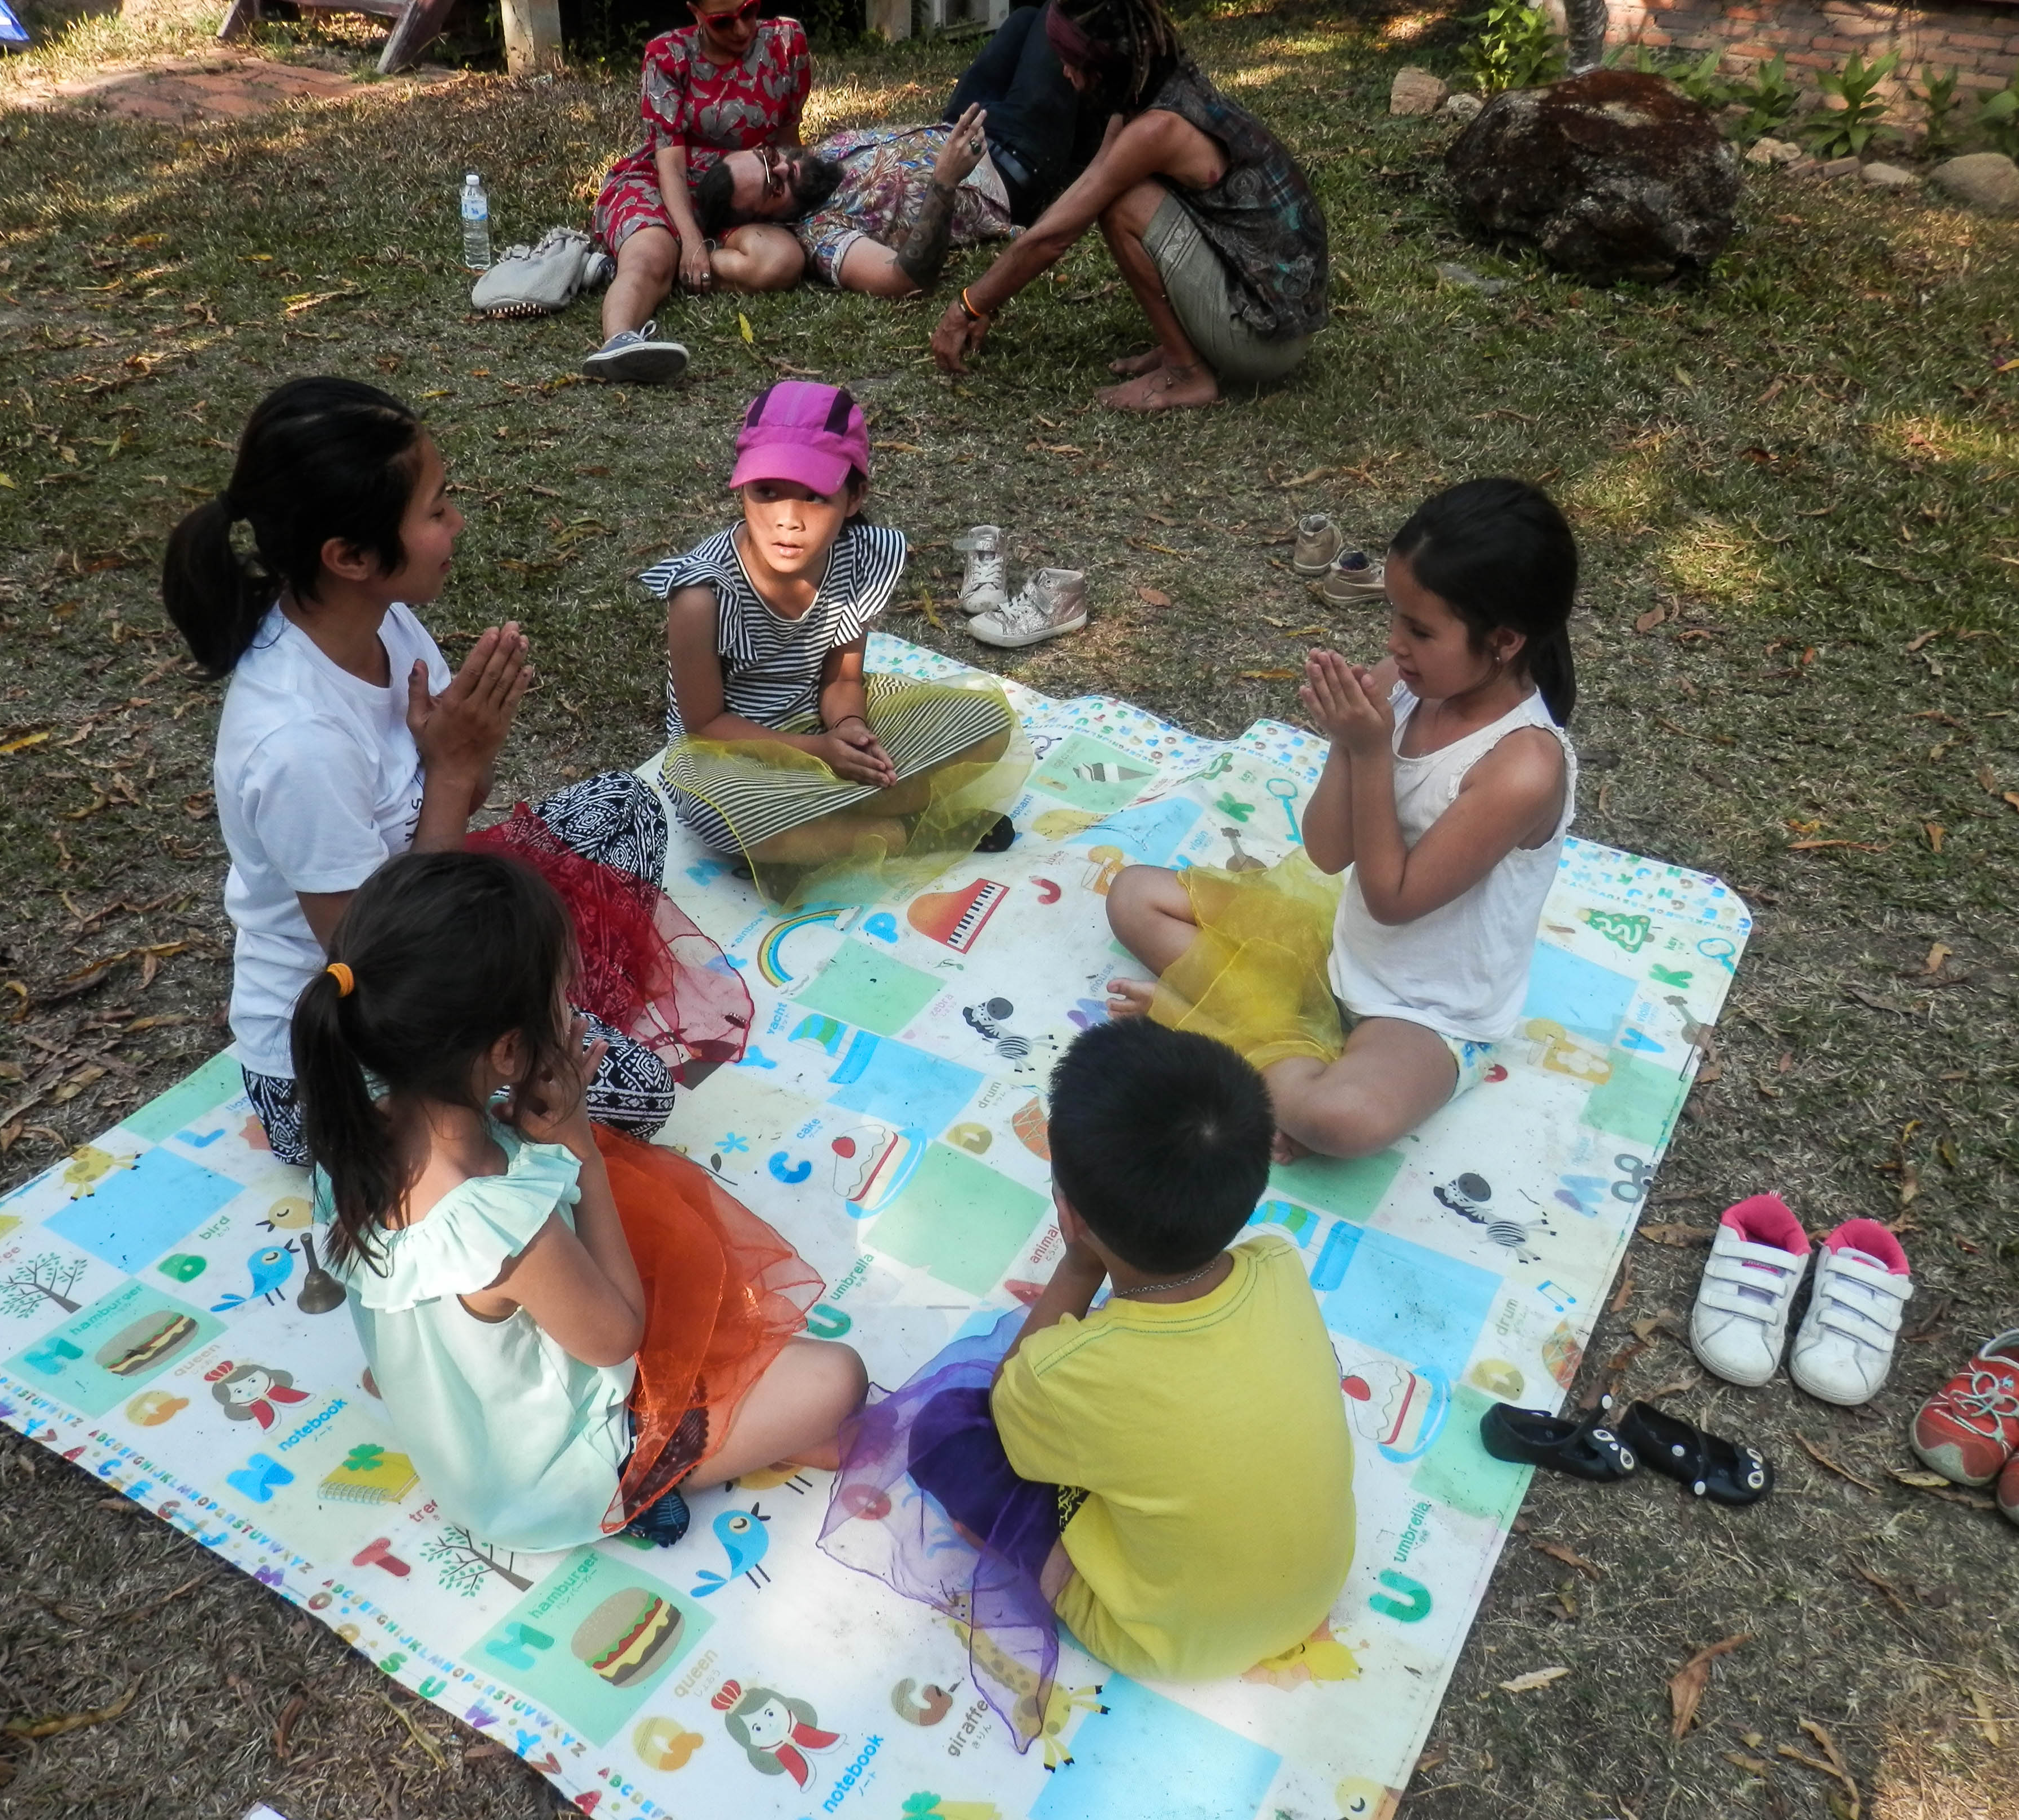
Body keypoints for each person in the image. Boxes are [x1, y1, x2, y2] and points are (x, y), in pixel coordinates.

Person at [162, 377, 714, 1168]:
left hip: (427, 909)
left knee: (625, 806)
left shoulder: (384, 621)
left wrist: (466, 760)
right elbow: (384, 966)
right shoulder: (296, 744)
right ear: (350, 557)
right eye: (435, 510)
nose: (457, 522)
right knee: (641, 1092)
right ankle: (519, 1040)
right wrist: (453, 771)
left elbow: (450, 808)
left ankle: (544, 1007)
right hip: (349, 1045)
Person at [297, 851, 865, 1549]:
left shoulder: (352, 1131)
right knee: (836, 1379)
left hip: (465, 1434)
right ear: (509, 1052)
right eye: (565, 997)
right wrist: (580, 1149)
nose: (575, 1014)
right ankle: (655, 1486)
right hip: (554, 1484)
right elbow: (618, 1339)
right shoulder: (501, 1225)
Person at [822, 1018, 1355, 1738]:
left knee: (947, 1430)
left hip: (1164, 1642)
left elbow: (1004, 1411)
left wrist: (1078, 1264)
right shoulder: (1280, 1261)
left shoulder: (1065, 1369)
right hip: (1315, 1590)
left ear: (1069, 1213)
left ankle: (1053, 1569)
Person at [1105, 478, 1581, 1160]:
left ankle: (1210, 1026)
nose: (1395, 644)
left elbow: (1393, 899)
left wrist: (1369, 751)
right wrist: (1345, 741)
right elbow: (1327, 852)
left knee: (1341, 1121)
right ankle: (1273, 1052)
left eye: (1419, 630)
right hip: (1341, 951)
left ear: (1504, 640)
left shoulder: (1522, 766)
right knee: (1133, 896)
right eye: (1394, 618)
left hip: (1425, 1010)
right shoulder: (1406, 685)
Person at [646, 379, 1026, 903]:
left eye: (815, 497)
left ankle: (829, 832)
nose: (788, 519)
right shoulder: (701, 594)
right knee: (725, 817)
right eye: (767, 492)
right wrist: (820, 755)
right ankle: (907, 833)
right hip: (732, 750)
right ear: (742, 490)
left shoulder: (858, 558)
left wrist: (851, 730)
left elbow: (844, 678)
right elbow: (706, 724)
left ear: (855, 499)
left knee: (988, 726)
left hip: (819, 717)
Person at [929, 0, 1330, 411]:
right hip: (1277, 313)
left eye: (1070, 62)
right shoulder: (1156, 85)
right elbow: (1079, 195)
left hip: (1263, 340)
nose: (1063, 72)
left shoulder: (1156, 130)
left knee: (1122, 202)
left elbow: (1057, 237)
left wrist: (969, 305)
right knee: (1106, 192)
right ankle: (1187, 344)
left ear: (1102, 67)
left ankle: (1186, 372)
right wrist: (989, 297)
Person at [584, 0, 815, 384]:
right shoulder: (668, 55)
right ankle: (620, 342)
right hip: (666, 181)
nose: (741, 30)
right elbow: (670, 164)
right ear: (695, 12)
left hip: (741, 194)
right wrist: (690, 238)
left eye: (748, 12)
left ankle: (669, 268)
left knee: (782, 262)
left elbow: (789, 140)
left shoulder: (787, 42)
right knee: (649, 257)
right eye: (723, 22)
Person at [696, 109, 1016, 297]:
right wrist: (944, 182)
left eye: (768, 157)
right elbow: (904, 280)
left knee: (1028, 22)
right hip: (1006, 165)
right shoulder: (824, 236)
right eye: (774, 187)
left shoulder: (813, 164)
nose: (783, 168)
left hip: (965, 117)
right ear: (765, 222)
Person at [942, 0, 1104, 223]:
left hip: (952, 131)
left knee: (1024, 18)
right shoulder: (893, 224)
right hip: (1010, 158)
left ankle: (1082, 146)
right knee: (1061, 16)